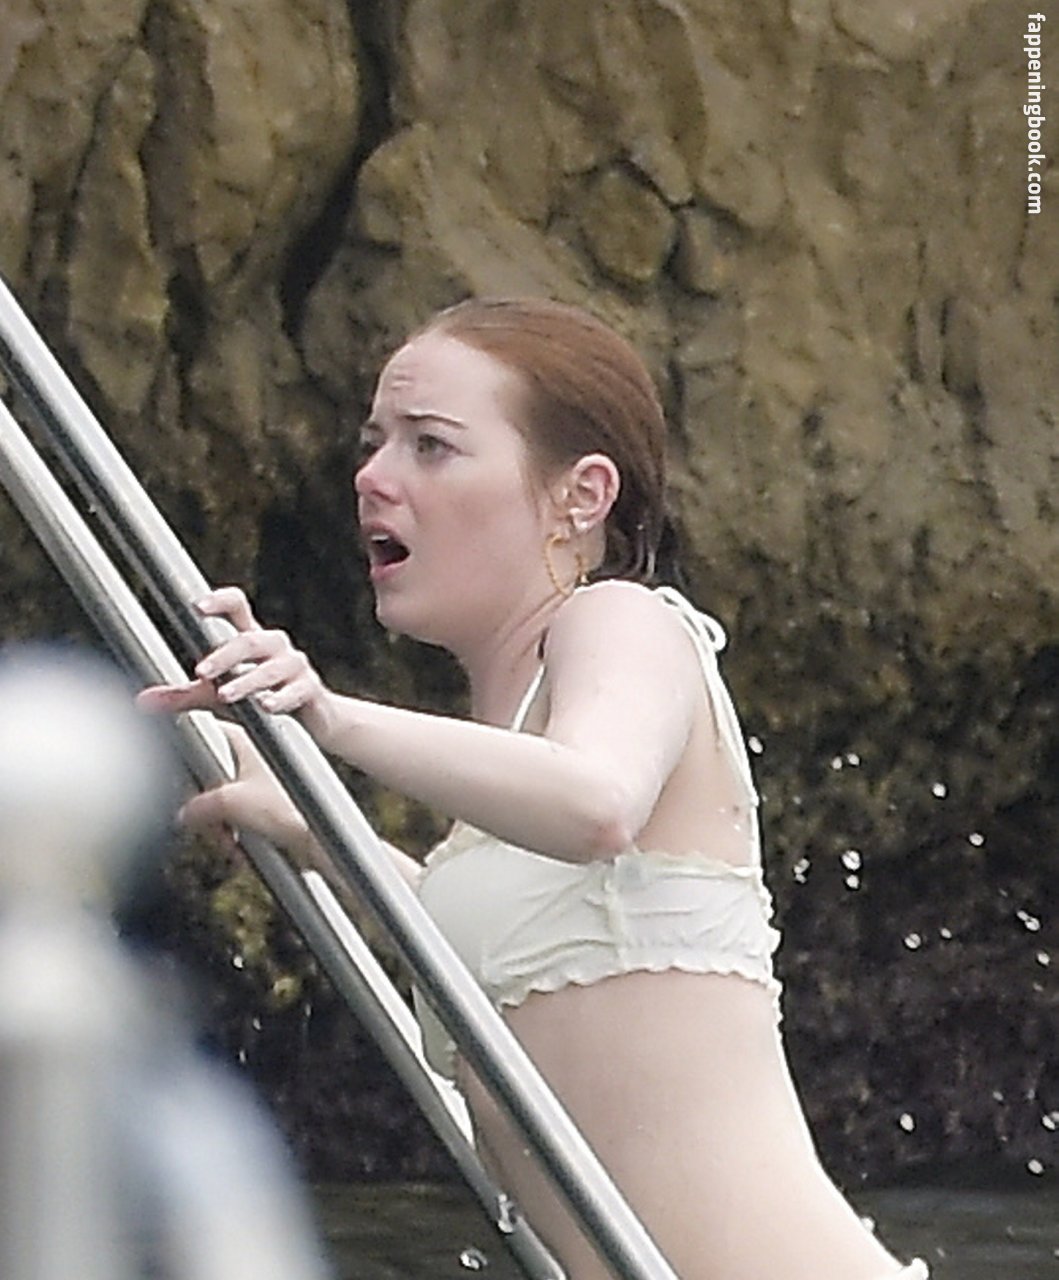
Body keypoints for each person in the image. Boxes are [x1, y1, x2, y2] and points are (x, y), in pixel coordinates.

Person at [139, 298, 929, 1280]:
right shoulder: (515, 745)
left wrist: (329, 718)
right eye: (374, 443)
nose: (372, 477)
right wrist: (315, 826)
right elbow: (517, 953)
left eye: (431, 445)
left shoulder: (624, 619)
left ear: (581, 495)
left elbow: (597, 803)